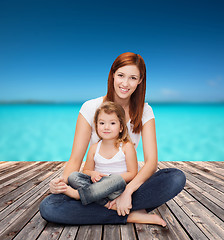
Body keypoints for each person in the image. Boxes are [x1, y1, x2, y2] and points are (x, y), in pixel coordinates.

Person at [40, 52, 186, 227]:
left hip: (127, 187)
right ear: (112, 75)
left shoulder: (145, 112)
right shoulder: (90, 108)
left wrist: (127, 193)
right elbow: (76, 160)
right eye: (121, 75)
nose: (125, 83)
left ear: (140, 81)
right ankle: (128, 215)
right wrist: (60, 185)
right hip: (93, 186)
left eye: (133, 78)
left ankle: (113, 208)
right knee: (49, 207)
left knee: (176, 177)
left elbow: (151, 163)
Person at [65, 101, 138, 206]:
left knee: (117, 179)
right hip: (97, 186)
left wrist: (109, 179)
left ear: (121, 127)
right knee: (73, 176)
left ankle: (78, 195)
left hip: (116, 189)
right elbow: (86, 170)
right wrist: (93, 174)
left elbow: (132, 173)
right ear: (96, 126)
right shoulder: (94, 148)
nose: (106, 127)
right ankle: (105, 203)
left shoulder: (127, 147)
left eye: (112, 123)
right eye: (102, 123)